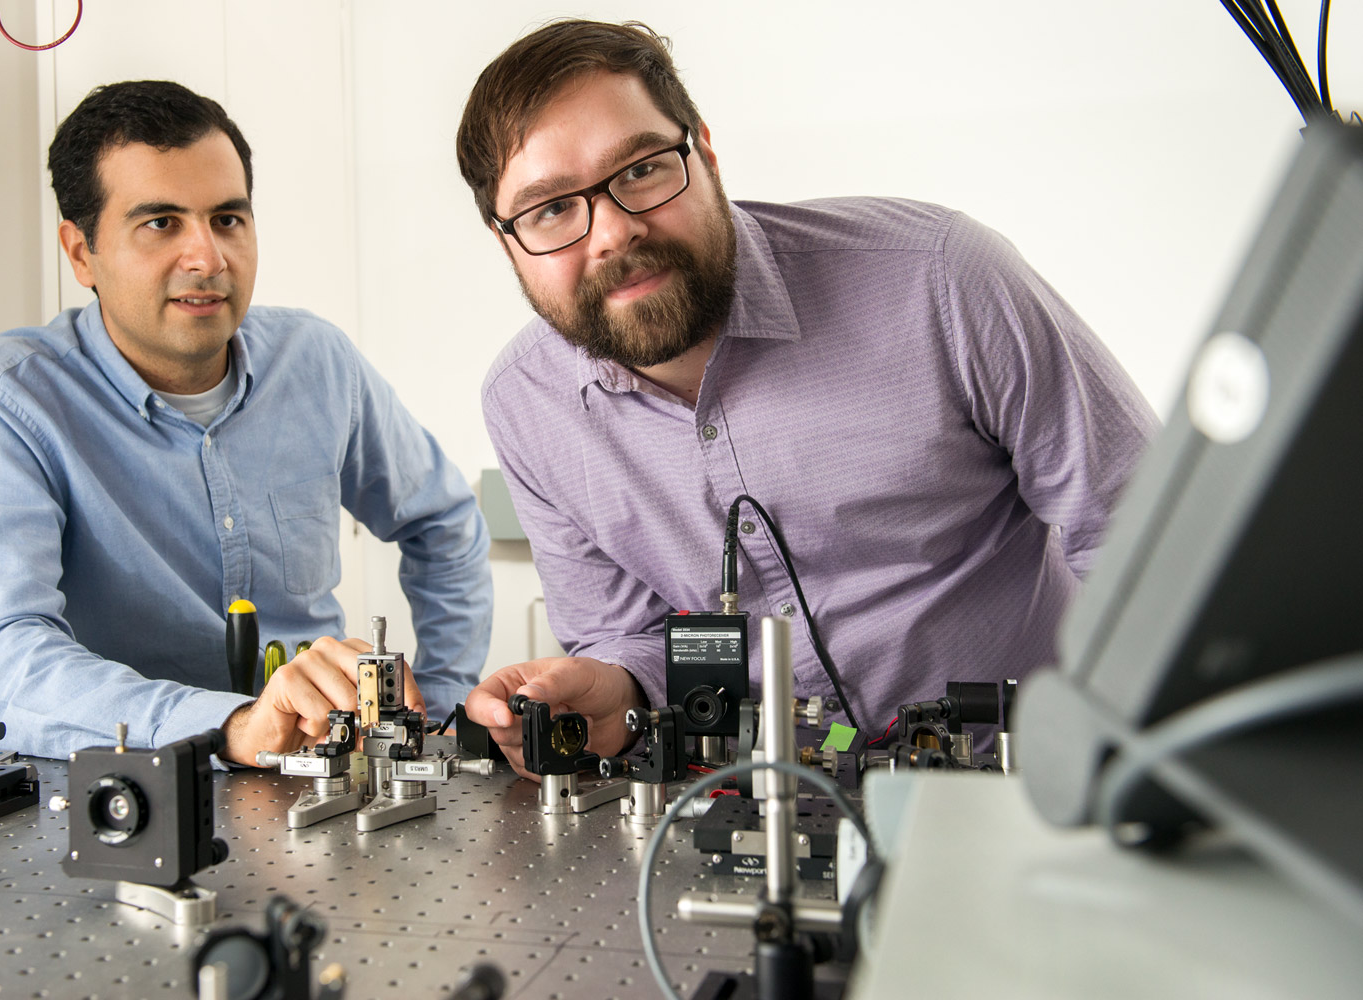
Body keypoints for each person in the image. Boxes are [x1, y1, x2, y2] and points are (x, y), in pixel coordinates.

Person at [457, 21, 1158, 777]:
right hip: (767, 804)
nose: (613, 232)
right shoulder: (526, 405)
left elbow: (1146, 540)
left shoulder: (941, 279)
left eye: (642, 170)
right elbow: (632, 641)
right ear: (507, 243)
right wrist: (616, 689)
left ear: (707, 155)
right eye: (551, 210)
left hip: (1030, 786)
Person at [0, 81, 491, 764]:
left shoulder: (317, 363)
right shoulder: (7, 400)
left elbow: (445, 526)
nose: (209, 258)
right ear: (81, 253)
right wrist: (232, 725)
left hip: (315, 785)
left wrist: (443, 709)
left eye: (228, 219)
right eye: (161, 223)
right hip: (115, 799)